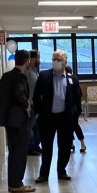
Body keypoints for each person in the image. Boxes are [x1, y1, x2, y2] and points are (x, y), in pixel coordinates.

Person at [32, 50, 82, 182]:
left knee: (65, 147)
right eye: (54, 59)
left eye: (58, 59)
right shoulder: (44, 76)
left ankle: (61, 171)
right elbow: (36, 97)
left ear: (65, 62)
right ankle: (44, 174)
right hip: (47, 118)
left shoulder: (73, 79)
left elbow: (78, 99)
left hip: (66, 119)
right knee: (47, 147)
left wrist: (75, 115)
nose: (55, 62)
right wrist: (38, 113)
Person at [0, 49, 35, 193]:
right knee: (20, 152)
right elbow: (19, 92)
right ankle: (17, 184)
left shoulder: (5, 76)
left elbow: (0, 93)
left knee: (13, 151)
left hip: (8, 120)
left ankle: (13, 183)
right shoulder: (21, 77)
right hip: (18, 120)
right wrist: (26, 105)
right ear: (27, 61)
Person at [65, 65, 86, 153]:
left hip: (72, 108)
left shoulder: (71, 80)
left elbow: (77, 95)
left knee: (72, 126)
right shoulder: (73, 79)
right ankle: (76, 143)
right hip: (73, 108)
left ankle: (78, 144)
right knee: (72, 126)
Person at [25, 50, 42, 155]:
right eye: (37, 58)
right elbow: (25, 89)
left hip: (36, 104)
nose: (39, 60)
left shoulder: (35, 71)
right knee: (30, 126)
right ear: (31, 59)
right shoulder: (27, 72)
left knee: (36, 127)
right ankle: (30, 148)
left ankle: (36, 145)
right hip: (30, 104)